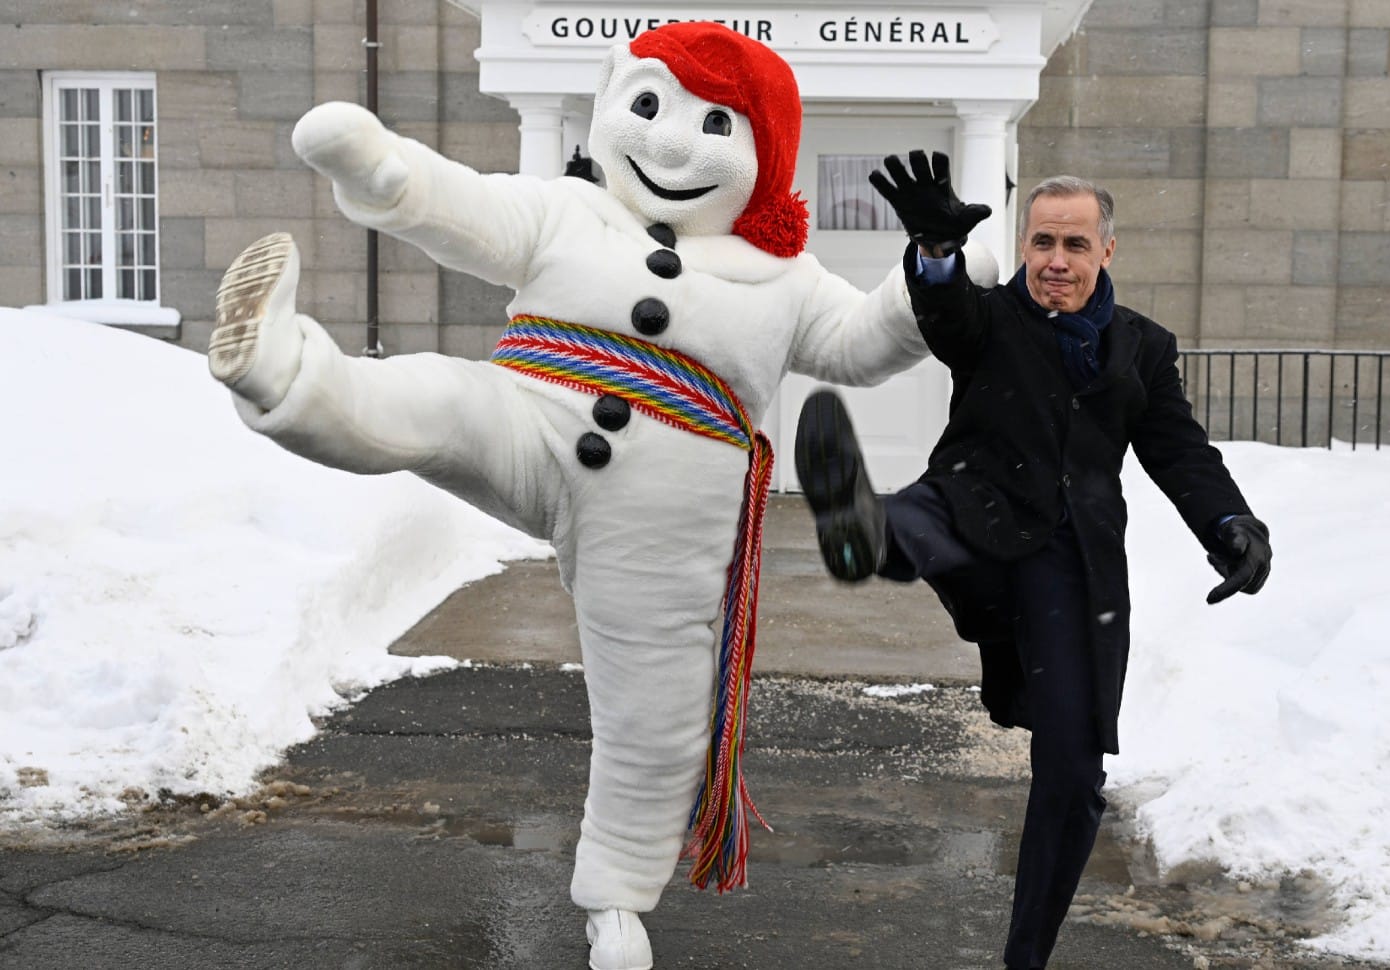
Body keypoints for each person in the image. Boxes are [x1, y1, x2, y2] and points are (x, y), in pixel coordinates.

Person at [205, 24, 995, 970]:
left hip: (663, 513)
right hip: (532, 418)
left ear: (764, 157)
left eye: (714, 124)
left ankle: (617, 905)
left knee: (655, 712)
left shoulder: (786, 279)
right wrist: (378, 168)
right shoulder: (567, 211)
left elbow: (866, 345)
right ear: (610, 106)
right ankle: (284, 374)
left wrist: (937, 264)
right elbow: (465, 208)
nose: (669, 144)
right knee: (440, 402)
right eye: (649, 107)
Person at [793, 154, 1272, 969]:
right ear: (1024, 245)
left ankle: (1027, 956)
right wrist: (936, 254)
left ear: (1106, 252)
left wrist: (1229, 521)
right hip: (974, 510)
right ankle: (862, 533)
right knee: (917, 519)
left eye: (1074, 244)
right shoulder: (991, 321)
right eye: (1042, 242)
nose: (1055, 260)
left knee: (1074, 777)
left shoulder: (1144, 350)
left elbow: (1177, 450)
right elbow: (945, 316)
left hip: (1073, 568)